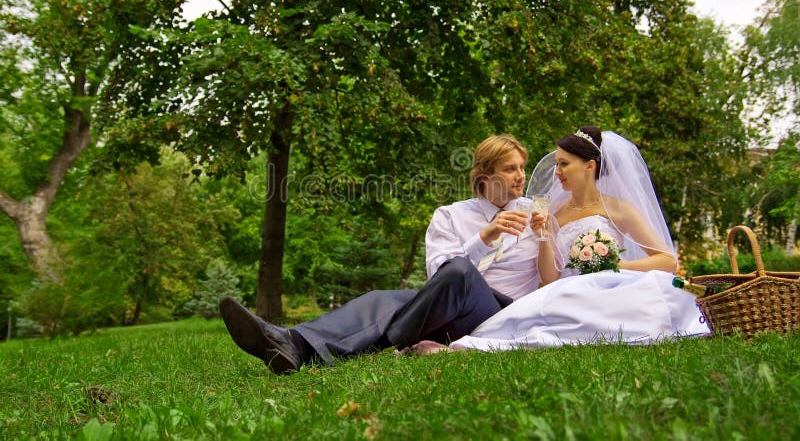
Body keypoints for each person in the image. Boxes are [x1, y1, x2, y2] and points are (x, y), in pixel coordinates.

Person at [219, 134, 546, 373]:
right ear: (485, 176)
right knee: (391, 295)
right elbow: (440, 278)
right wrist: (485, 237)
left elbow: (553, 277)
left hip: (502, 313)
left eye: (522, 167)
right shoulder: (450, 215)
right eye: (510, 168)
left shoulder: (537, 215)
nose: (521, 176)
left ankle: (389, 340)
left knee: (419, 291)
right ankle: (292, 345)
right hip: (447, 311)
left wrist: (545, 234)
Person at [407, 126, 709, 354]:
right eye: (557, 164)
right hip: (565, 288)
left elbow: (668, 261)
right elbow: (550, 278)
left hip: (611, 280)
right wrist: (543, 238)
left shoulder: (618, 208)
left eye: (564, 164)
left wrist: (616, 266)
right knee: (557, 306)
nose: (556, 172)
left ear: (589, 166)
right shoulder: (550, 212)